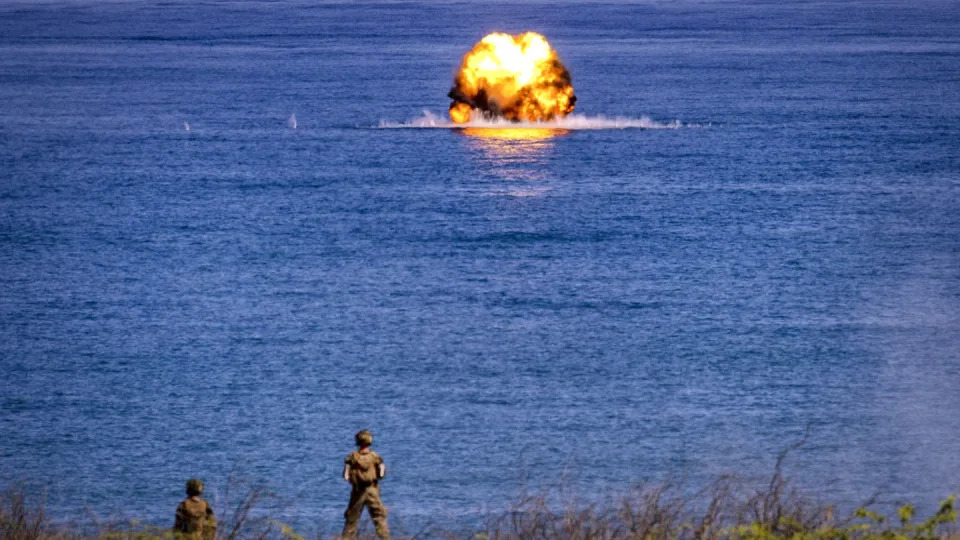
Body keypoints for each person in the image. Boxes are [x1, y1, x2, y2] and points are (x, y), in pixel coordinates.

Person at [341, 429, 389, 539]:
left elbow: (346, 475)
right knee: (379, 518)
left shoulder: (352, 457)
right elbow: (382, 473)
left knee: (351, 519)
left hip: (358, 491)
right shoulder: (375, 456)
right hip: (372, 490)